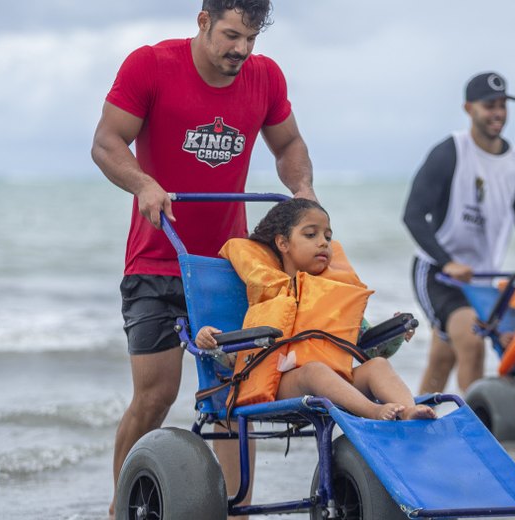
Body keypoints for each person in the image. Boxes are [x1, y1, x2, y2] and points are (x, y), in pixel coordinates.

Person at [90, 1, 314, 516]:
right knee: (156, 395)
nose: (240, 49)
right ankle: (122, 505)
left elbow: (289, 143)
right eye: (231, 35)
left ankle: (237, 512)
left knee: (234, 395)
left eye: (250, 39)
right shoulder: (150, 64)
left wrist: (301, 188)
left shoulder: (265, 78)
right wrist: (144, 183)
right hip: (156, 261)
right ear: (203, 21)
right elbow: (106, 143)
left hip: (226, 266)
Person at [197, 198, 437, 421]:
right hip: (284, 386)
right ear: (283, 243)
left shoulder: (333, 294)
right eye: (311, 235)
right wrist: (209, 339)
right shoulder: (267, 294)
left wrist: (394, 335)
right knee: (314, 371)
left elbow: (371, 349)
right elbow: (236, 357)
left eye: (328, 236)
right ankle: (373, 411)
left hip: (339, 385)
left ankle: (407, 409)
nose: (323, 241)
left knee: (378, 367)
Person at [403, 71, 515, 394]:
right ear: (469, 108)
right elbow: (412, 215)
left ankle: (415, 423)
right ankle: (480, 430)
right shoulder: (450, 151)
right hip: (438, 274)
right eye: (488, 105)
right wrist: (447, 261)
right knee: (471, 342)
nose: (497, 113)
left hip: (481, 280)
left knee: (443, 358)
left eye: (502, 105)